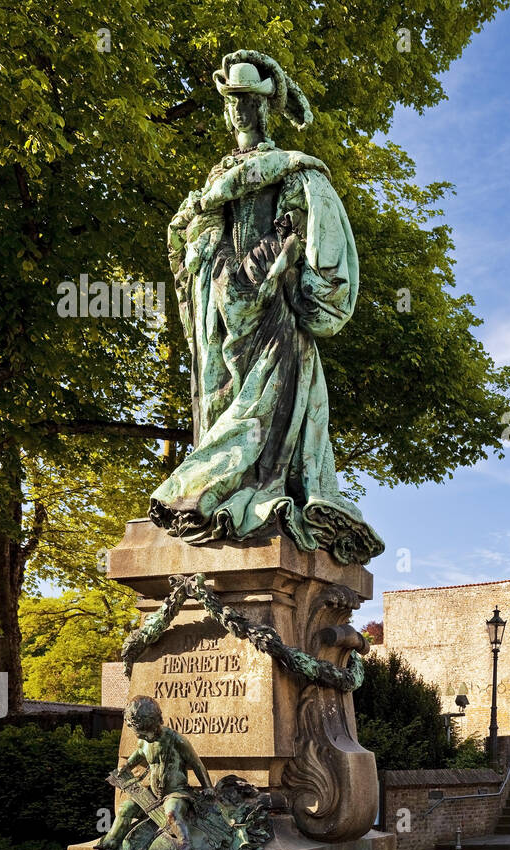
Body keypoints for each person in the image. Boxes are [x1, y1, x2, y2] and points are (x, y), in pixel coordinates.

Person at [150, 50, 383, 566]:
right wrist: (215, 265)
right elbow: (195, 241)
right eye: (232, 102)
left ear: (265, 107)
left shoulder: (293, 172)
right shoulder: (217, 178)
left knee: (265, 413)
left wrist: (287, 268)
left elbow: (316, 241)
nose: (239, 112)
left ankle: (234, 491)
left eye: (249, 102)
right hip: (224, 307)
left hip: (274, 311)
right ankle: (216, 492)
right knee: (222, 404)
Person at [98, 696, 212, 850]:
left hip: (176, 792)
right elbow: (138, 754)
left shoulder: (176, 740)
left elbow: (197, 764)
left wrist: (208, 787)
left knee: (172, 813)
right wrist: (127, 766)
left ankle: (184, 843)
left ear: (155, 724)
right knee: (125, 809)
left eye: (146, 735)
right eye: (141, 735)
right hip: (153, 794)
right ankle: (111, 841)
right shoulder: (143, 742)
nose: (144, 738)